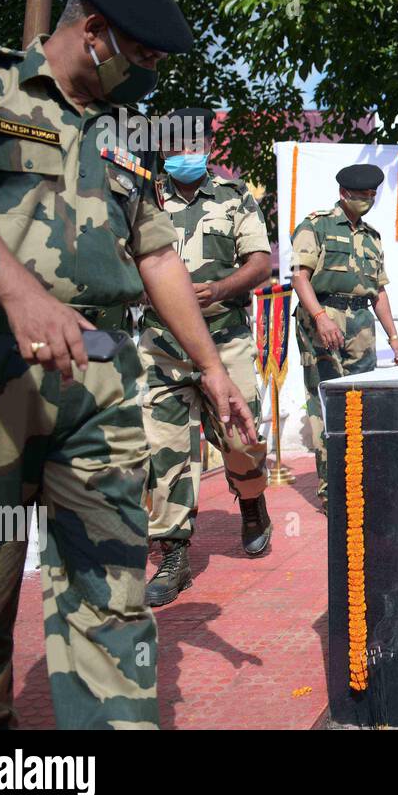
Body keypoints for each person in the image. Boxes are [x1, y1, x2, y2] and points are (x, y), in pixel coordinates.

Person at [0, 0, 256, 730]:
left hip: (99, 381)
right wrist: (19, 293)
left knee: (111, 578)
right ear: (93, 33)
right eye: (142, 58)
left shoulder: (117, 141)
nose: (147, 76)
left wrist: (214, 372)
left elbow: (156, 255)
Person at [139, 108, 274, 608]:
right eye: (174, 147)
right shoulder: (144, 197)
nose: (184, 154)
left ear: (207, 148)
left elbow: (259, 262)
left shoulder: (234, 196)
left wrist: (218, 288)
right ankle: (174, 555)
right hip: (162, 347)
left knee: (241, 438)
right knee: (166, 450)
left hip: (225, 339)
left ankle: (253, 503)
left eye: (192, 144)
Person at [292, 164, 398, 510]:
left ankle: (361, 483)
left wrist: (394, 336)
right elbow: (300, 277)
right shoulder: (317, 225)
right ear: (344, 194)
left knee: (362, 404)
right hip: (323, 318)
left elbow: (379, 292)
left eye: (372, 196)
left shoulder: (372, 236)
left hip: (361, 323)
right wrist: (320, 317)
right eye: (361, 196)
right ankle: (332, 490)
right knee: (328, 403)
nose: (368, 201)